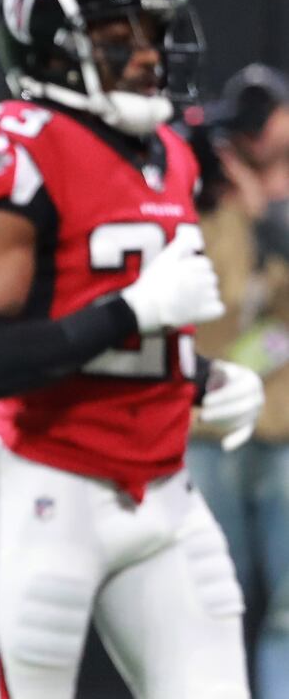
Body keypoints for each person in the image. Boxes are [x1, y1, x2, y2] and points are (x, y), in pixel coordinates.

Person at [0, 0, 266, 699]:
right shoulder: (16, 148)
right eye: (118, 37)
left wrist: (199, 377)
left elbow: (122, 325)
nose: (147, 56)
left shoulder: (168, 153)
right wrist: (132, 310)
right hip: (43, 484)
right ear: (48, 52)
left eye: (151, 33)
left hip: (163, 491)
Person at [184, 64, 289, 698]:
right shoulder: (205, 202)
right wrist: (237, 207)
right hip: (211, 429)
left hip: (283, 433)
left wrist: (270, 214)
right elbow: (209, 318)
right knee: (210, 605)